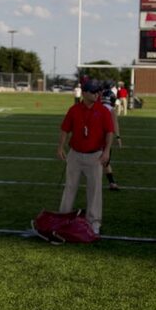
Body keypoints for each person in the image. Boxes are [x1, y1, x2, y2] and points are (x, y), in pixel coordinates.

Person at [57, 79, 115, 235]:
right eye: (93, 91)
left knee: (94, 191)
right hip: (75, 155)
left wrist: (107, 151)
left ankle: (94, 222)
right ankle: (63, 218)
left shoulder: (103, 110)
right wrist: (60, 147)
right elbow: (65, 129)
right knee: (70, 188)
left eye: (98, 91)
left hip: (95, 156)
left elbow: (109, 132)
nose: (97, 94)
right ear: (84, 93)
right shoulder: (74, 110)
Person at [99, 88, 122, 191]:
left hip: (93, 138)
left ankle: (112, 182)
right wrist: (118, 137)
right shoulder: (111, 110)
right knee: (104, 162)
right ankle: (111, 183)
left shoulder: (97, 107)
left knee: (99, 162)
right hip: (105, 139)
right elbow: (115, 124)